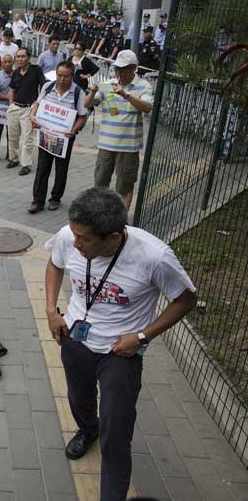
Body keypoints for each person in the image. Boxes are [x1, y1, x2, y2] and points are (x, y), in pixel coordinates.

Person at [44, 187, 197, 501]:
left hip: (121, 352)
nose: (75, 243)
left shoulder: (154, 257)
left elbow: (185, 299)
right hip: (75, 337)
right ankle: (88, 429)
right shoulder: (69, 235)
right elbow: (54, 263)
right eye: (74, 235)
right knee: (79, 398)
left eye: (84, 239)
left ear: (113, 237)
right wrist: (50, 310)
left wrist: (142, 336)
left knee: (116, 432)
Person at [84, 50, 153, 208]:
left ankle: (120, 222)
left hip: (129, 147)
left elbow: (147, 107)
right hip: (106, 144)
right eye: (117, 69)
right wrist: (93, 91)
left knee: (125, 186)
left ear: (134, 68)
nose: (119, 72)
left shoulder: (143, 86)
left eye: (123, 69)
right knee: (100, 184)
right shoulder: (109, 84)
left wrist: (126, 95)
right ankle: (99, 216)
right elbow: (87, 104)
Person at [28, 61, 87, 213]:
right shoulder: (48, 87)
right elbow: (37, 104)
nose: (62, 79)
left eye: (66, 76)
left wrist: (73, 130)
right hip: (46, 134)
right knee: (42, 168)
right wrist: (33, 115)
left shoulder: (78, 93)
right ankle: (37, 201)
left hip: (65, 138)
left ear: (72, 76)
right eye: (59, 75)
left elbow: (82, 116)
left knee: (61, 169)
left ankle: (55, 198)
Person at [6, 47, 45, 176]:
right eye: (18, 57)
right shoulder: (16, 72)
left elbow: (44, 87)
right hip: (15, 108)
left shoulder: (36, 71)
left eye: (23, 56)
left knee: (27, 138)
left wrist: (37, 105)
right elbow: (12, 89)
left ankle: (26, 164)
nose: (20, 59)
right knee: (13, 136)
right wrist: (11, 104)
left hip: (29, 108)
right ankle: (14, 159)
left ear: (28, 58)